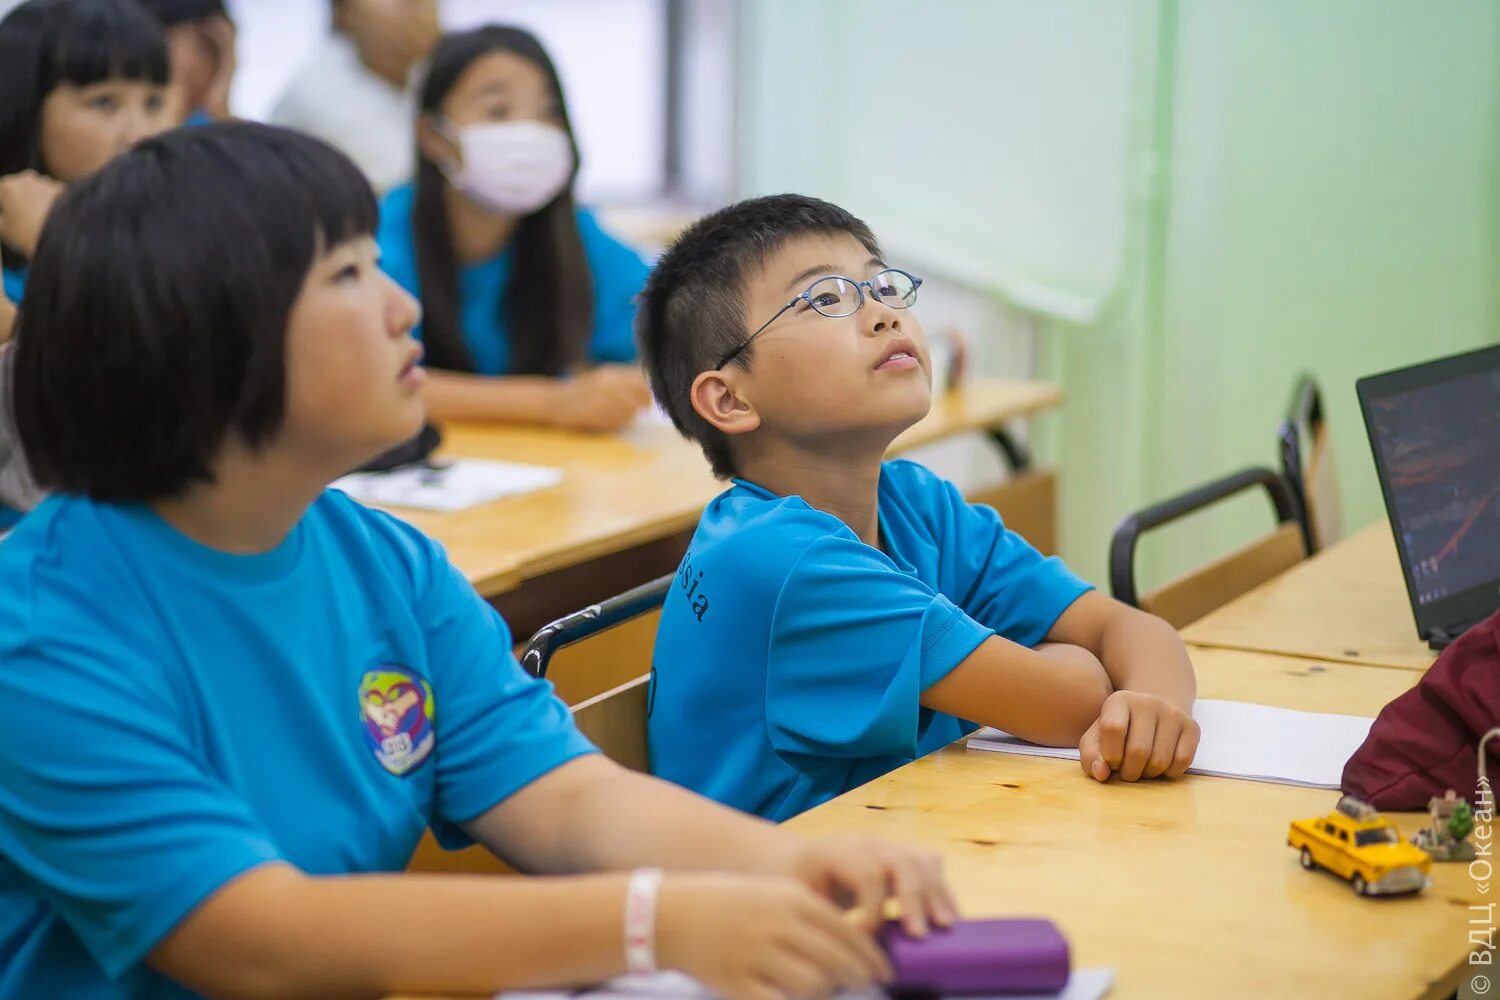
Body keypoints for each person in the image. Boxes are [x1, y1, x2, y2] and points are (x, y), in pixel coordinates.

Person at [0, 124, 955, 999]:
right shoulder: (41, 634)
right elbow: (256, 939)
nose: (402, 305)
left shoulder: (386, 565)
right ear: (200, 332)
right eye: (347, 276)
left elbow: (564, 799)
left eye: (381, 264)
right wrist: (653, 921)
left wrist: (786, 864)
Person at [637, 194, 1201, 821]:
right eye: (825, 299)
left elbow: (1126, 628)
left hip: (899, 845)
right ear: (731, 399)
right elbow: (1073, 702)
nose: (883, 315)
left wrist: (1154, 705)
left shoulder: (916, 502)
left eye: (882, 285)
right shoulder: (782, 560)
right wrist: (1081, 671)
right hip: (779, 898)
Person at [378, 26, 652, 431]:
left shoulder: (577, 237)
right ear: (432, 136)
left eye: (548, 112)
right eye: (498, 111)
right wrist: (554, 403)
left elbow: (670, 320)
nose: (530, 131)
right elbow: (373, 386)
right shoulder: (379, 242)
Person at [0, 0, 175, 525]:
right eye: (104, 103)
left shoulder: (155, 239)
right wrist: (59, 247)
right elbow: (83, 440)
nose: (139, 132)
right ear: (26, 109)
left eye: (154, 102)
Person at [271, 0, 440, 193]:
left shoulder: (422, 70)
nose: (412, 4)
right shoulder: (321, 94)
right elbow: (416, 193)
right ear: (344, 12)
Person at [135, 0, 236, 124]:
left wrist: (219, 98)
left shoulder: (205, 119)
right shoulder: (135, 115)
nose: (192, 63)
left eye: (207, 48)